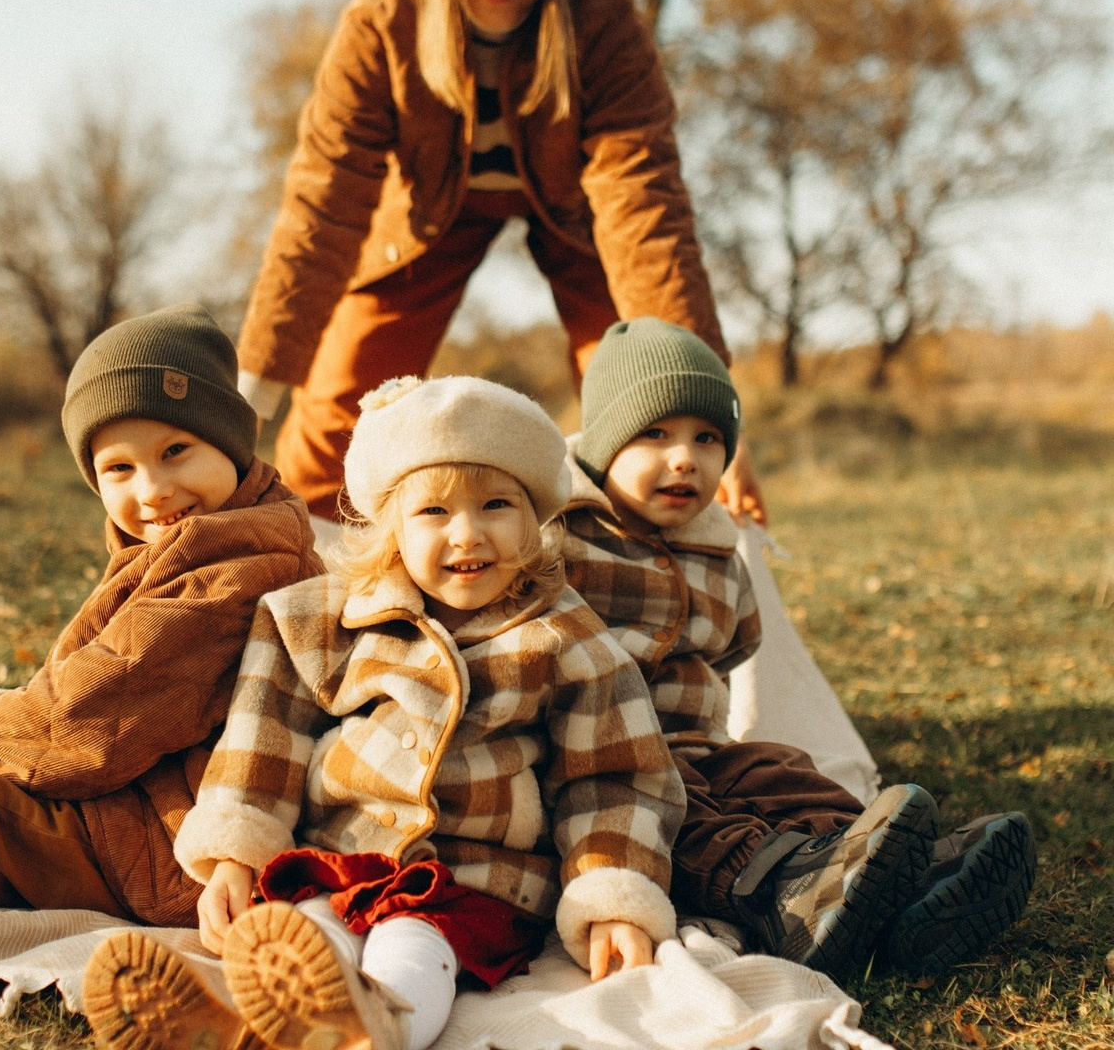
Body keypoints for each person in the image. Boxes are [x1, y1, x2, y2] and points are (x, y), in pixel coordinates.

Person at [82, 374, 687, 1050]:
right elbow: (264, 740)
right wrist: (234, 855)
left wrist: (611, 896)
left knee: (409, 944)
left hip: (471, 880)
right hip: (341, 859)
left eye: (496, 505)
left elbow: (611, 779)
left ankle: (377, 1028)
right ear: (391, 526)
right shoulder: (323, 619)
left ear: (536, 520)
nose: (468, 534)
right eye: (433, 512)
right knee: (298, 933)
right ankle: (232, 1028)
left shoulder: (565, 639)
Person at [233, 0, 764, 525]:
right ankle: (289, 555)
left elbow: (644, 207)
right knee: (340, 396)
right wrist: (248, 397)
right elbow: (326, 197)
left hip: (580, 218)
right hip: (426, 215)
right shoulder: (388, 9)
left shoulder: (602, 16)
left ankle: (647, 572)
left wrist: (713, 413)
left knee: (644, 395)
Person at [561, 316, 1038, 981]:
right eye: (655, 434)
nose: (685, 458)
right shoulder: (564, 536)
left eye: (707, 439)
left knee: (777, 769)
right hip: (603, 763)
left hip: (698, 744)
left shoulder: (714, 546)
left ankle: (878, 875)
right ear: (604, 445)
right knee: (683, 809)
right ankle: (780, 892)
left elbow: (736, 646)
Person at [0, 304, 322, 930]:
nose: (152, 489)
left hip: (172, 850)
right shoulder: (204, 545)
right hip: (148, 807)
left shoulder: (235, 574)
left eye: (176, 450)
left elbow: (90, 727)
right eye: (119, 468)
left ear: (232, 443)